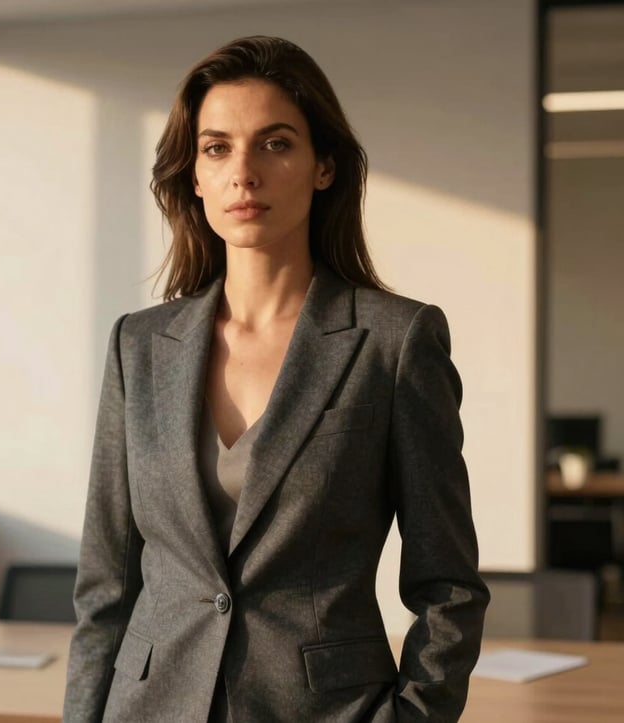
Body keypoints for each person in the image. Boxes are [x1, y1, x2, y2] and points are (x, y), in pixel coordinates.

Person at [63, 35, 489, 723]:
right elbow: (104, 585)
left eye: (276, 143)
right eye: (217, 147)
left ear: (323, 166)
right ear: (193, 175)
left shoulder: (394, 342)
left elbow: (450, 586)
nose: (244, 173)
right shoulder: (138, 346)